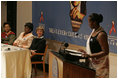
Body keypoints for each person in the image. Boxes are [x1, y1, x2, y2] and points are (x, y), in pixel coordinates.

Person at [78, 13, 109, 78]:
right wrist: (86, 53)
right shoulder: (94, 31)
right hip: (92, 64)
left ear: (94, 22)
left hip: (100, 67)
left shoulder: (101, 34)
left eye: (89, 22)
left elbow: (105, 52)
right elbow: (94, 48)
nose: (88, 24)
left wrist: (90, 55)